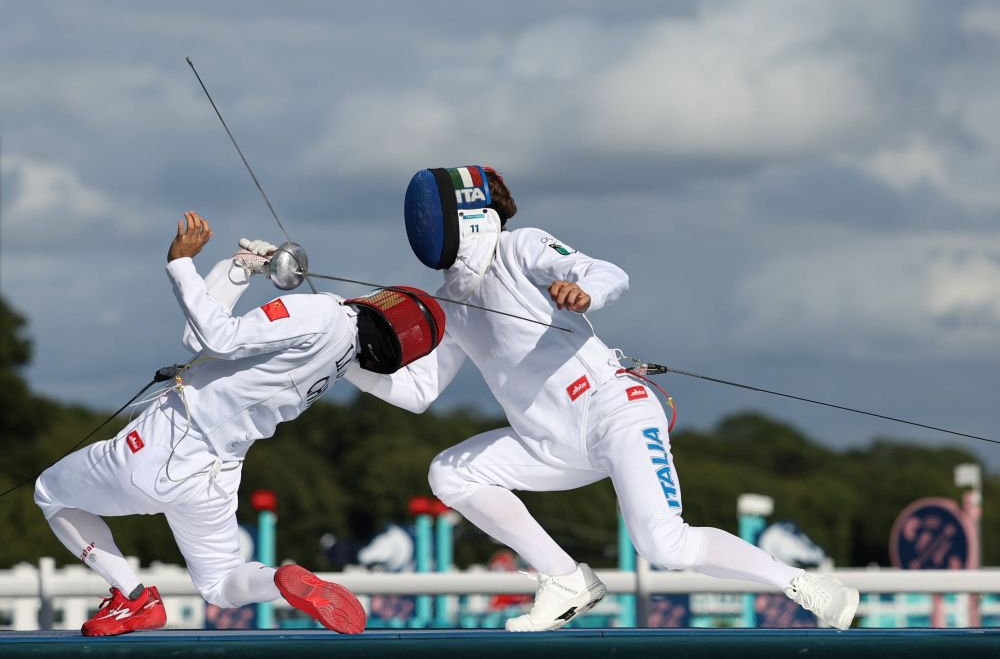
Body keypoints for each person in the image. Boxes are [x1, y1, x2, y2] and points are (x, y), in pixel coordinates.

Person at [346, 166, 860, 631]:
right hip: (547, 445)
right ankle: (565, 579)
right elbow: (418, 392)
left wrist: (586, 293)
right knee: (450, 473)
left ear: (469, 215)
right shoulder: (448, 303)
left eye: (430, 216)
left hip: (614, 412)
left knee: (664, 545)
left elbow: (607, 272)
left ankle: (802, 583)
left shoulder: (520, 246)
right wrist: (343, 356)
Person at [34, 211, 445, 636]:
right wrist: (238, 270)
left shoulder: (325, 312)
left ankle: (133, 597)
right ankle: (277, 580)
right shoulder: (342, 364)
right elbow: (200, 337)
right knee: (220, 584)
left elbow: (216, 337)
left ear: (383, 301)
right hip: (219, 471)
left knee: (51, 492)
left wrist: (181, 263)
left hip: (170, 441)